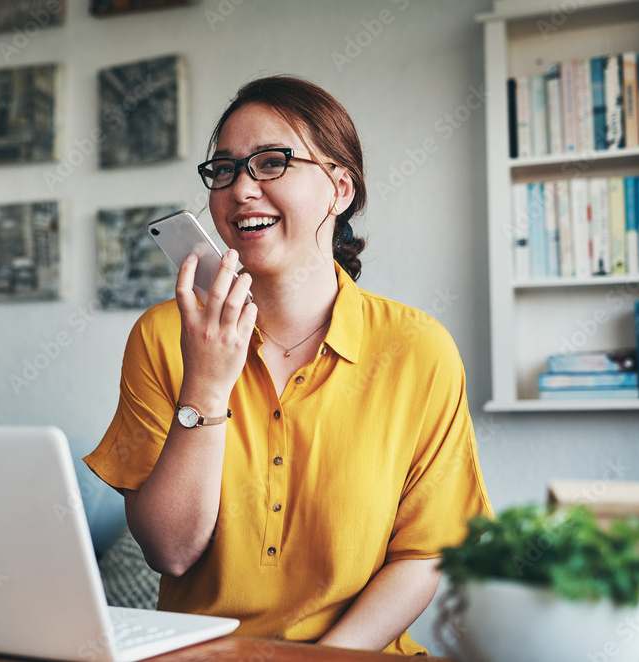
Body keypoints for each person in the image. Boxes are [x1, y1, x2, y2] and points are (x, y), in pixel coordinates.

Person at [84, 75, 492, 656]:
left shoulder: (418, 349)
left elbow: (425, 553)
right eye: (223, 169)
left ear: (339, 188)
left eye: (271, 162)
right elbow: (169, 551)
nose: (240, 189)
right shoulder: (162, 336)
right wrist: (205, 383)